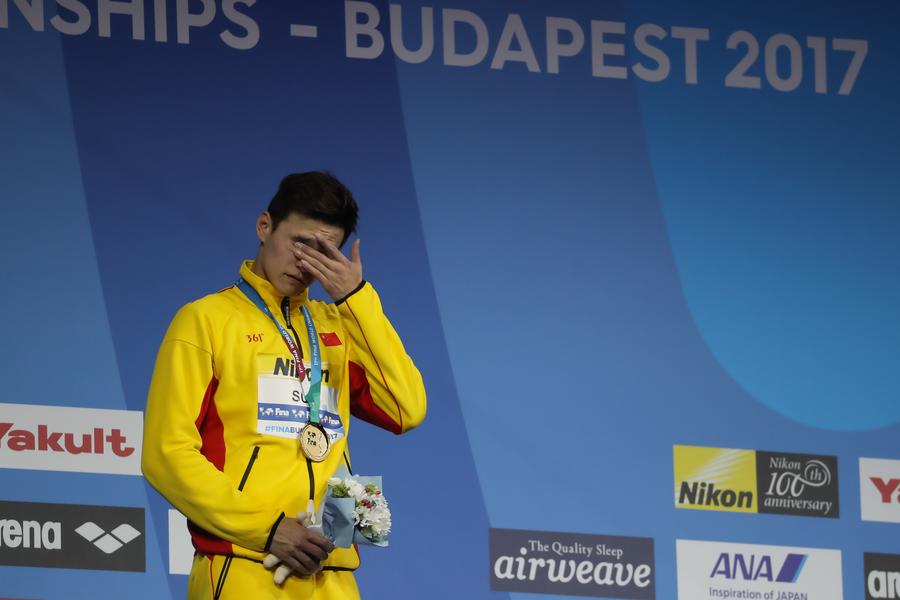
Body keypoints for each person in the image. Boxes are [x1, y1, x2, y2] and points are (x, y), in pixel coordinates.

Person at [142, 171, 427, 599]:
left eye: (325, 251)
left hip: (332, 567)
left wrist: (356, 298)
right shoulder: (206, 320)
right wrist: (269, 529)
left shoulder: (340, 326)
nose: (306, 262)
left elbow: (407, 408)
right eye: (300, 242)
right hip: (245, 562)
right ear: (264, 226)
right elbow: (166, 453)